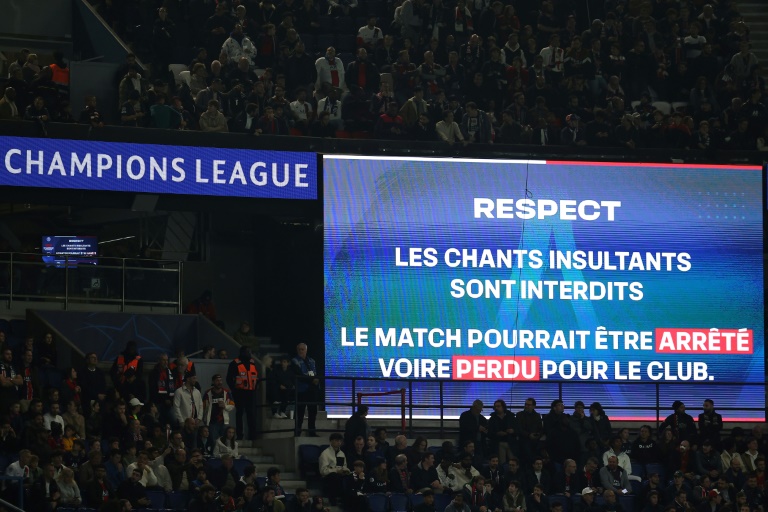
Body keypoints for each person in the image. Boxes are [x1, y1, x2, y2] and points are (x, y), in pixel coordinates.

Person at [226, 346, 258, 441]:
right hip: (239, 392)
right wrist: (234, 389)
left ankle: (252, 436)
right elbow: (228, 379)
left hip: (251, 392)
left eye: (249, 351)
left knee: (251, 414)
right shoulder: (234, 363)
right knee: (239, 413)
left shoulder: (252, 363)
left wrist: (255, 388)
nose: (248, 353)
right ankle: (240, 435)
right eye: (247, 351)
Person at [292, 343, 320, 437]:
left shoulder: (312, 361)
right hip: (301, 390)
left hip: (312, 390)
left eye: (302, 349)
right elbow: (299, 375)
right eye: (299, 349)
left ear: (306, 350)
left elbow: (315, 373)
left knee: (313, 411)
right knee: (300, 412)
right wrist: (312, 380)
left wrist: (316, 380)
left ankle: (311, 431)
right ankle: (298, 432)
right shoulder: (295, 361)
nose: (301, 351)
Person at [203, 373, 235, 442]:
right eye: (217, 380)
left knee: (225, 441)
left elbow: (232, 405)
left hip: (224, 421)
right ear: (213, 382)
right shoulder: (208, 393)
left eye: (221, 380)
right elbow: (203, 407)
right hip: (212, 422)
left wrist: (225, 406)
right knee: (214, 441)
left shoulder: (227, 392)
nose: (219, 382)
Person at [319, 433, 349, 505]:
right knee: (334, 476)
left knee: (350, 477)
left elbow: (344, 466)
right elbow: (323, 471)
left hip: (339, 474)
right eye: (336, 440)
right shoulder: (325, 453)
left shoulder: (342, 453)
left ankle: (346, 499)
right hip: (328, 476)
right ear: (331, 441)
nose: (339, 442)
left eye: (340, 441)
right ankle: (333, 500)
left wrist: (346, 471)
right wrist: (336, 470)